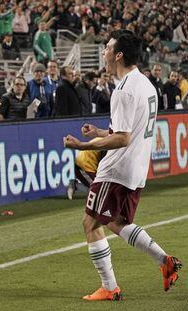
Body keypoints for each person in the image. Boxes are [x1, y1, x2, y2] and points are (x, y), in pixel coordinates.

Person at [64, 29, 182, 301]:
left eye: (106, 47)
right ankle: (165, 261)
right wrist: (98, 133)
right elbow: (128, 132)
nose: (103, 51)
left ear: (118, 55)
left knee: (91, 223)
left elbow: (122, 138)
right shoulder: (145, 84)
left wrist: (81, 146)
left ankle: (109, 286)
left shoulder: (124, 90)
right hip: (136, 169)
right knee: (117, 222)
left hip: (116, 169)